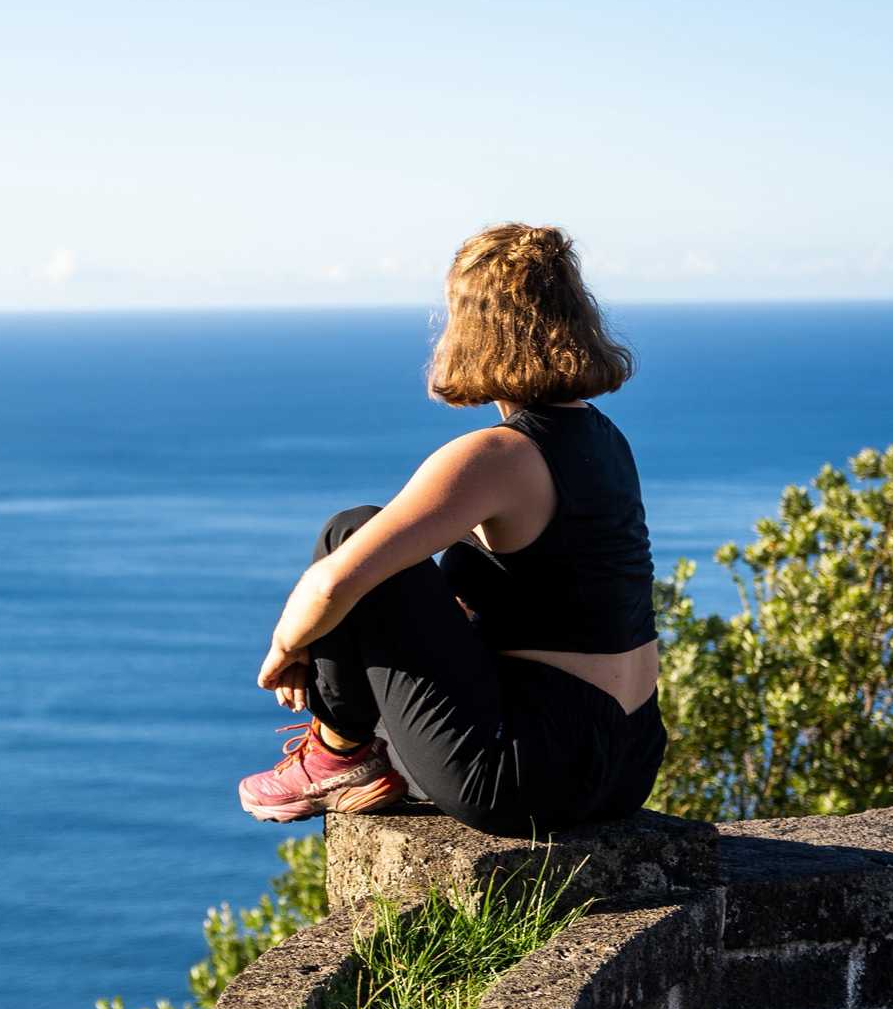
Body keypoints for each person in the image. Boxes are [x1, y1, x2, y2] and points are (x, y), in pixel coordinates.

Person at [239, 223, 665, 836]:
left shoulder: (496, 455)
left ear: (473, 329)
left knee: (351, 531)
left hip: (522, 775)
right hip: (628, 762)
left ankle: (336, 755)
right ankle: (352, 753)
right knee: (381, 555)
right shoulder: (605, 440)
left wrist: (287, 646)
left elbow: (335, 584)